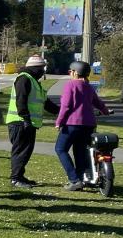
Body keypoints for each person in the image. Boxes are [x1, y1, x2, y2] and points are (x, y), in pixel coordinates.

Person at [55, 60, 111, 190]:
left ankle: (74, 180)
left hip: (73, 124)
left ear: (75, 72)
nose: (69, 74)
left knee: (60, 149)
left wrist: (59, 121)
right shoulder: (89, 87)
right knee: (80, 152)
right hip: (89, 125)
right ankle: (81, 179)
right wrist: (105, 111)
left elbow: (66, 106)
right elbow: (98, 102)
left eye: (70, 71)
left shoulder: (71, 85)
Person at [6, 53, 59, 189]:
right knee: (20, 151)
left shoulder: (34, 81)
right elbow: (21, 101)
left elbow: (46, 103)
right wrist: (26, 119)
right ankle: (15, 178)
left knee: (26, 151)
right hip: (20, 122)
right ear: (35, 68)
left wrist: (62, 111)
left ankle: (20, 175)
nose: (43, 71)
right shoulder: (24, 79)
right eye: (41, 68)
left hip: (28, 123)